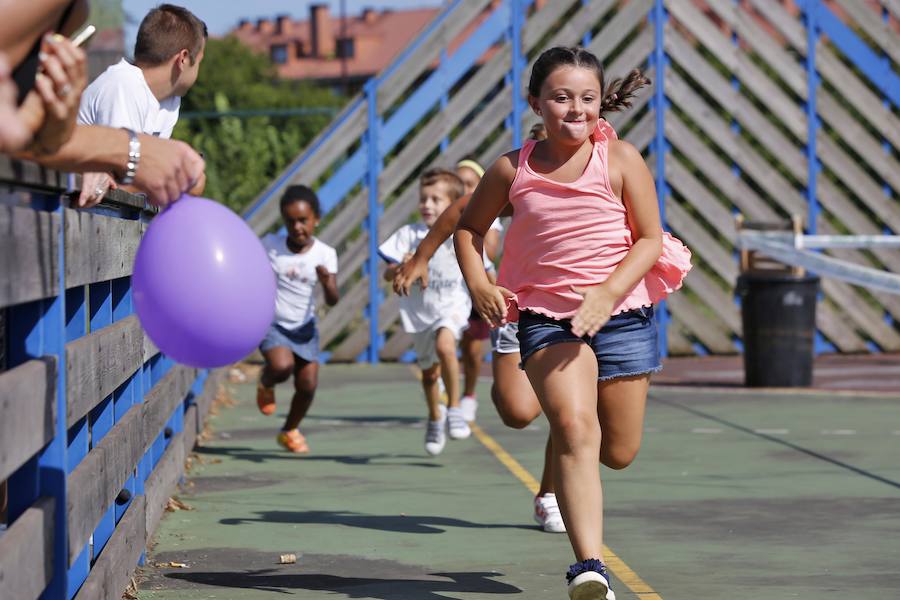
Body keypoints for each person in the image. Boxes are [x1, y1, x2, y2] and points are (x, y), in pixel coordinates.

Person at [454, 46, 691, 599]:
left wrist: (607, 294)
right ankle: (589, 569)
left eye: (587, 98)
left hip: (623, 316)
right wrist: (480, 283)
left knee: (618, 452)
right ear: (535, 101)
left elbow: (651, 238)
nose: (575, 109)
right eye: (561, 98)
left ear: (600, 102)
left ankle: (567, 452)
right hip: (547, 320)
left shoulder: (623, 159)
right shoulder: (511, 169)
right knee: (577, 430)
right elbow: (467, 229)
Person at [394, 125, 567, 534]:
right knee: (518, 412)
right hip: (521, 307)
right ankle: (480, 390)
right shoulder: (521, 177)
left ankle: (550, 495)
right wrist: (421, 257)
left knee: (572, 418)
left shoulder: (607, 167)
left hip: (579, 312)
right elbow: (459, 214)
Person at [380, 168, 490, 456]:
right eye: (423, 199)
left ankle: (454, 407)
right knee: (429, 375)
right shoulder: (408, 236)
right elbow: (387, 272)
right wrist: (401, 266)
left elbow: (487, 269)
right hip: (419, 315)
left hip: (452, 306)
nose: (427, 205)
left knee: (446, 346)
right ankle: (435, 416)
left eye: (435, 200)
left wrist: (494, 296)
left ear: (452, 206)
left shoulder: (463, 235)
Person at [76, 3, 207, 207]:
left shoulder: (170, 100)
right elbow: (127, 179)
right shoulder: (123, 84)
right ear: (182, 59)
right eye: (198, 62)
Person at [256, 185, 339, 453]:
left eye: (303, 220)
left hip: (304, 327)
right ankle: (266, 382)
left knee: (308, 384)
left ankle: (289, 429)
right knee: (282, 367)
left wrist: (327, 282)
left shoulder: (325, 254)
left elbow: (333, 299)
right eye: (290, 221)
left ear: (316, 219)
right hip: (273, 323)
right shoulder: (271, 246)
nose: (297, 227)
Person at [453, 158, 502, 424]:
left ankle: (469, 395)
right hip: (448, 290)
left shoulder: (490, 220)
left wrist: (463, 232)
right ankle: (440, 381)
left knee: (472, 351)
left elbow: (490, 251)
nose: (465, 190)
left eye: (471, 184)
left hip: (473, 289)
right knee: (443, 340)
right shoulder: (446, 214)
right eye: (460, 185)